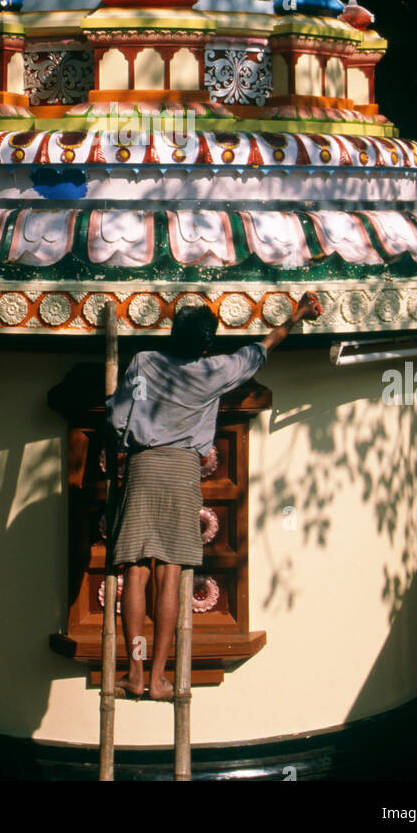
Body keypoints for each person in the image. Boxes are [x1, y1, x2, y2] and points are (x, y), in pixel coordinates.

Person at [103, 290, 323, 699]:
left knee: (134, 569)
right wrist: (299, 314)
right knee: (171, 573)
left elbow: (117, 417)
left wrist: (125, 440)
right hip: (183, 471)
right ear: (205, 345)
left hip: (144, 466)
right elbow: (264, 347)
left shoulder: (144, 363)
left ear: (173, 334)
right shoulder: (215, 371)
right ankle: (157, 679)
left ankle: (134, 672)